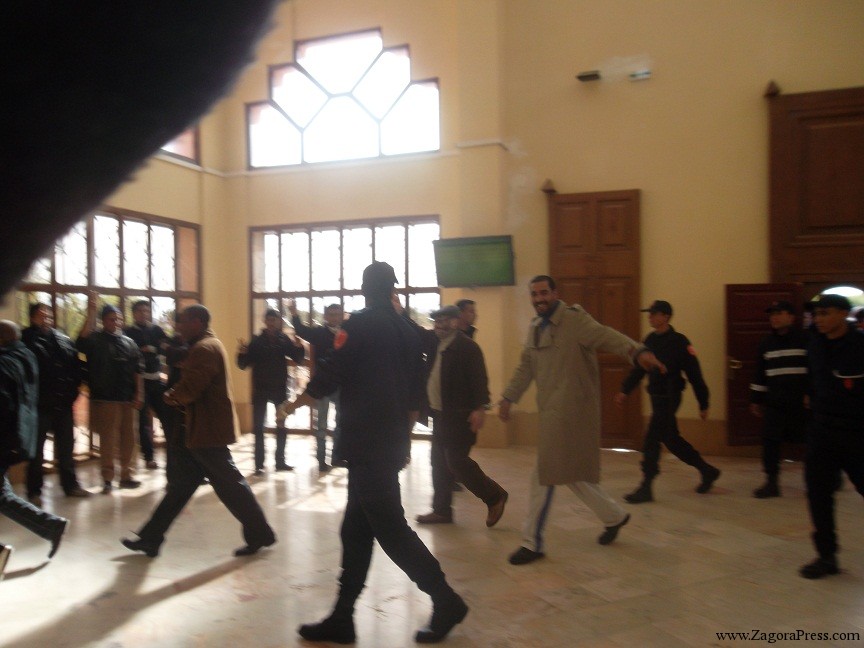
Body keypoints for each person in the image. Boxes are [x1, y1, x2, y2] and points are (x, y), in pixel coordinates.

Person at [283, 262, 468, 645]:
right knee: (355, 529)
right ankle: (342, 617)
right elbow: (417, 387)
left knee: (391, 529)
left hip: (365, 442)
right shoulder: (409, 330)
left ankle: (446, 600)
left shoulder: (359, 325)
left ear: (365, 289)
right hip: (389, 441)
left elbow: (331, 373)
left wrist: (294, 403)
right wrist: (406, 432)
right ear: (392, 289)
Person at [498, 276, 664, 565]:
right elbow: (525, 368)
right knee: (569, 473)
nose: (539, 299)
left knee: (544, 475)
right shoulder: (536, 327)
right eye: (534, 294)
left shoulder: (574, 320)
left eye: (544, 293)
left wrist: (638, 352)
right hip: (551, 412)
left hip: (573, 413)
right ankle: (614, 516)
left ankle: (532, 542)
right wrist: (508, 397)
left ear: (555, 293)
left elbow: (607, 336)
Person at [121, 305, 276, 558]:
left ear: (197, 322)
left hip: (207, 431)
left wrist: (170, 397)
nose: (178, 326)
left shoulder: (205, 348)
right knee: (182, 487)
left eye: (183, 321)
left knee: (231, 486)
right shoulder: (204, 345)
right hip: (196, 430)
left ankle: (261, 532)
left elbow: (191, 388)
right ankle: (150, 538)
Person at [615, 300, 719, 504]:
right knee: (671, 439)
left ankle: (646, 486)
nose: (650, 317)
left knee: (651, 439)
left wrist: (703, 402)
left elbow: (694, 374)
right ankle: (707, 471)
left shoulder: (680, 342)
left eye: (654, 313)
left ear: (666, 316)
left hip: (671, 396)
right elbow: (640, 369)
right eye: (649, 313)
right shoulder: (650, 340)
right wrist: (625, 390)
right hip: (656, 396)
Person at [412, 305, 508, 527]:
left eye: (444, 320)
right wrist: (397, 311)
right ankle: (442, 511)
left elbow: (479, 380)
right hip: (440, 415)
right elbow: (416, 331)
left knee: (456, 462)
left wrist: (480, 409)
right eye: (436, 321)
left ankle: (495, 496)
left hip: (460, 415)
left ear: (455, 322)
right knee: (438, 462)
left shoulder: (467, 347)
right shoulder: (435, 343)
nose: (439, 325)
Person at [799, 294, 864, 579]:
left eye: (825, 313)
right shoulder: (815, 344)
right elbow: (813, 379)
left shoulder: (860, 344)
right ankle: (826, 556)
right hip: (822, 430)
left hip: (857, 431)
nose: (819, 319)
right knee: (818, 493)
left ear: (843, 314)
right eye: (816, 314)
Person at [0, 320, 68, 568]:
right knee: (3, 496)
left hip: (5, 437)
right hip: (17, 436)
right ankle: (50, 526)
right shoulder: (25, 356)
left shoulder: (4, 363)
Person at [22, 303, 88, 502]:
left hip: (63, 404)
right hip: (39, 405)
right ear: (32, 318)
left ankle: (70, 485)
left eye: (49, 315)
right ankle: (34, 491)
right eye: (41, 315)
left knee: (66, 448)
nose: (46, 319)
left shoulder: (62, 339)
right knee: (36, 451)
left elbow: (76, 365)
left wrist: (75, 390)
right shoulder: (25, 340)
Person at [76, 299, 144, 493]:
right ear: (103, 321)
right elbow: (80, 342)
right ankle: (108, 478)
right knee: (108, 440)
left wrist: (139, 393)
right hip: (105, 398)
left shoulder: (129, 343)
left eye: (118, 319)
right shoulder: (95, 340)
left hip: (127, 398)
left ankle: (126, 476)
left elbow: (138, 370)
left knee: (129, 439)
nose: (116, 322)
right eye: (111, 319)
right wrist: (91, 311)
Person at [748, 300, 809, 498]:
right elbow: (760, 373)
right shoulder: (766, 343)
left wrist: (812, 393)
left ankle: (820, 480)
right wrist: (756, 399)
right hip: (775, 403)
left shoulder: (806, 340)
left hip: (802, 404)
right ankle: (771, 483)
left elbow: (816, 370)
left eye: (779, 313)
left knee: (811, 443)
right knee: (770, 442)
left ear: (791, 316)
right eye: (772, 314)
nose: (774, 317)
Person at [237, 308, 305, 474]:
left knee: (281, 425)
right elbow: (243, 365)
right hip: (260, 389)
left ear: (278, 321)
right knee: (258, 427)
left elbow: (298, 358)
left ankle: (280, 462)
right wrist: (242, 354)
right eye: (269, 320)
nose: (271, 323)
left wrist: (299, 347)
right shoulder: (256, 341)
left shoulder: (284, 339)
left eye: (274, 320)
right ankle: (259, 465)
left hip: (279, 389)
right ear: (265, 321)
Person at [288, 300, 344, 472]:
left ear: (342, 316)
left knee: (340, 423)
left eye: (337, 315)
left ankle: (337, 457)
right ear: (326, 316)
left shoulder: (347, 334)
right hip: (322, 385)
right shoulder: (319, 333)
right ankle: (321, 459)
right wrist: (294, 314)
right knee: (321, 424)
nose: (335, 318)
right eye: (331, 315)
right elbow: (301, 330)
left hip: (340, 384)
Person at [123, 300, 169, 470]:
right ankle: (149, 457)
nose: (143, 313)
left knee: (166, 416)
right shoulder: (127, 332)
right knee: (144, 422)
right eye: (140, 311)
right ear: (134, 313)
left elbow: (167, 347)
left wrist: (154, 349)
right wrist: (139, 351)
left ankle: (172, 451)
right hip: (139, 383)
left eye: (146, 310)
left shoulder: (157, 330)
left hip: (157, 380)